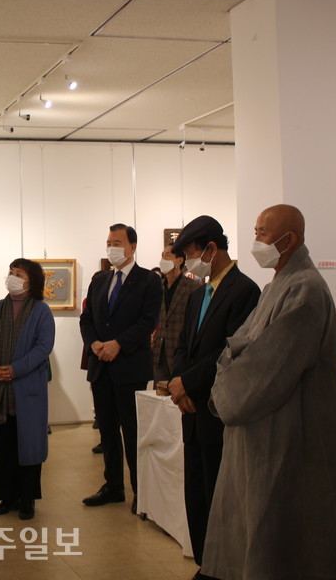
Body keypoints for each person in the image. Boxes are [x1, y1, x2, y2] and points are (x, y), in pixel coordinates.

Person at [203, 205, 336, 580]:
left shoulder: (306, 289)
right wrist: (229, 371)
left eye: (263, 233)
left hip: (288, 436)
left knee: (285, 543)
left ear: (290, 240)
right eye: (256, 231)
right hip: (260, 433)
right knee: (258, 533)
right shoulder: (276, 287)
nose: (256, 240)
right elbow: (234, 347)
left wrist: (225, 384)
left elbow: (267, 367)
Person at [169, 216, 260, 577]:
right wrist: (179, 384)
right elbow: (182, 346)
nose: (188, 263)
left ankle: (224, 566)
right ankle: (206, 564)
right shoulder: (198, 294)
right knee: (197, 492)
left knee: (222, 495)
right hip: (191, 408)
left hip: (218, 408)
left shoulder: (244, 291)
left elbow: (230, 350)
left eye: (191, 254)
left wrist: (188, 384)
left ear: (211, 248)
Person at [80, 223, 161, 514]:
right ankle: (113, 486)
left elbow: (148, 321)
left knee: (133, 432)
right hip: (101, 366)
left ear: (132, 247)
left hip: (130, 367)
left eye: (117, 243)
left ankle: (141, 492)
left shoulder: (148, 281)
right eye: (109, 242)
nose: (112, 248)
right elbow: (87, 318)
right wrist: (94, 344)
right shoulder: (100, 280)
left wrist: (118, 344)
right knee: (107, 432)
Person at [0, 258, 55, 520]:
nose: (13, 277)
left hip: (27, 388)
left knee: (28, 443)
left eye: (19, 273)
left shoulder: (41, 311)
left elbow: (43, 347)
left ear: (32, 280)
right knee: (3, 443)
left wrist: (16, 369)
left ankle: (27, 499)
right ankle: (6, 497)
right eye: (11, 272)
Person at [152, 243, 202, 388]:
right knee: (159, 395)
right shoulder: (158, 287)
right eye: (162, 256)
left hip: (182, 352)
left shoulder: (193, 288)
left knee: (179, 394)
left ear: (179, 260)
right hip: (160, 351)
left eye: (167, 256)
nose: (163, 260)